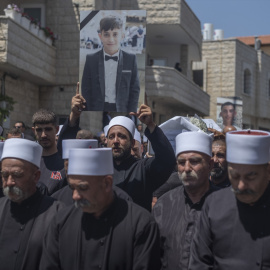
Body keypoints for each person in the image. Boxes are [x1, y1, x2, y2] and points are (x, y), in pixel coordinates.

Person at [40, 148, 161, 270]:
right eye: (72, 187)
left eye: (83, 187)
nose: (75, 196)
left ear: (107, 183)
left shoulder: (141, 224)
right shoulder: (61, 222)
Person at [189, 130, 270, 270]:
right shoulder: (214, 204)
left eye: (250, 176)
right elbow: (199, 263)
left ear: (268, 171)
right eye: (235, 176)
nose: (241, 185)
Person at [153, 131, 219, 270]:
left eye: (194, 161)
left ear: (210, 164)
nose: (187, 168)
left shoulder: (225, 205)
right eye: (182, 162)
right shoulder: (163, 205)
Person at [0, 138, 63, 270]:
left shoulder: (57, 213)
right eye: (5, 175)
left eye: (17, 175)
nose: (9, 182)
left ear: (36, 176)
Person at [107, 104, 175, 211]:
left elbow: (167, 160)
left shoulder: (142, 168)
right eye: (111, 137)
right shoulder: (99, 170)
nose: (115, 141)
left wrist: (151, 125)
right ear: (107, 141)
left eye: (121, 136)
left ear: (132, 142)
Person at [81, 16, 140, 112]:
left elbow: (134, 90)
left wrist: (131, 113)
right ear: (100, 37)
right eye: (106, 34)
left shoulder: (131, 59)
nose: (111, 39)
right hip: (97, 110)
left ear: (122, 36)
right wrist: (89, 111)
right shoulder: (91, 59)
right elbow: (86, 89)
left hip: (121, 110)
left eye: (115, 34)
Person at [32, 109, 67, 195]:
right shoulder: (29, 163)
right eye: (39, 130)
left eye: (48, 129)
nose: (44, 135)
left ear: (57, 129)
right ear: (34, 131)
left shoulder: (65, 166)